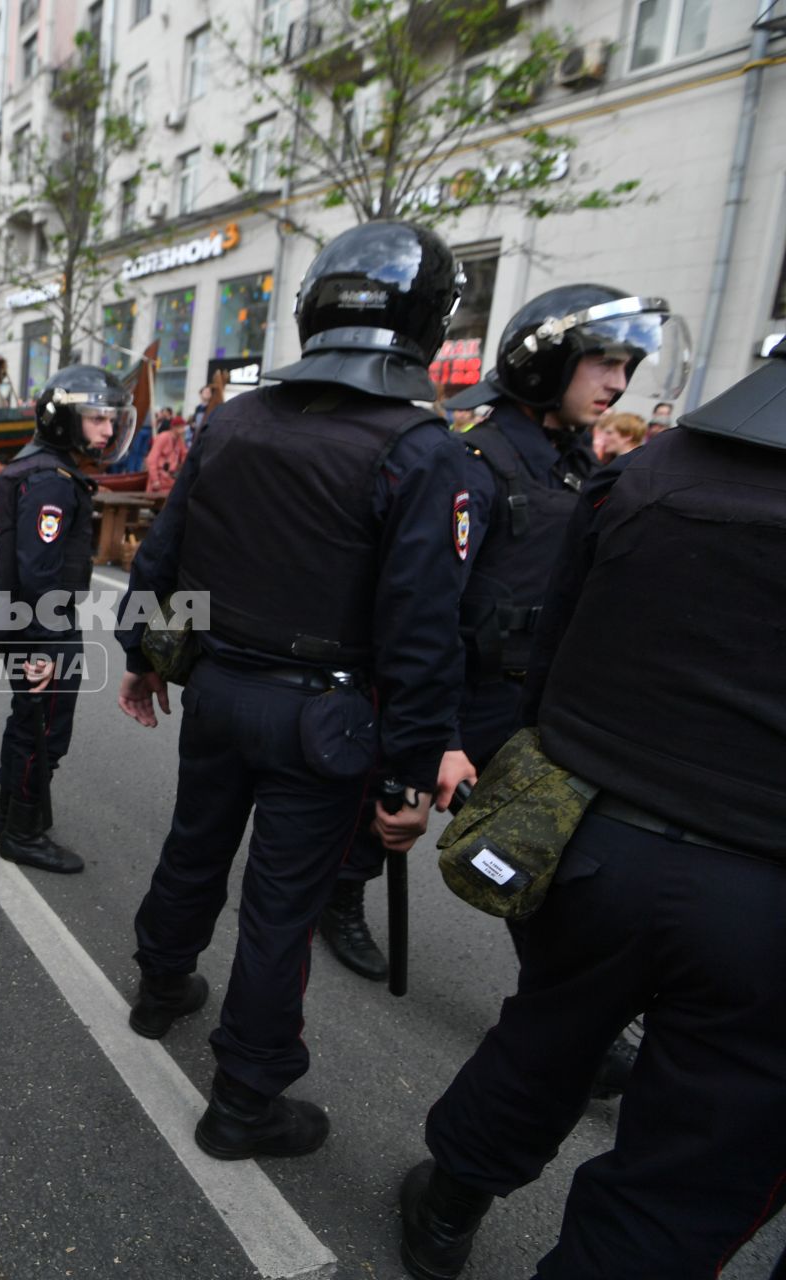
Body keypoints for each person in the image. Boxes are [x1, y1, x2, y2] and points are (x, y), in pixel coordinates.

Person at [399, 342, 783, 1280]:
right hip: (762, 894)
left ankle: (449, 1204)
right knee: (692, 1158)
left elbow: (557, 649)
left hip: (598, 839)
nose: (615, 385)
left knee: (544, 1038)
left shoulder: (644, 475)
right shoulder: (563, 463)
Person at [113, 222, 473, 1158]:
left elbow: (165, 554)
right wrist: (405, 776)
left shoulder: (236, 420)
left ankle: (159, 987)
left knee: (195, 848)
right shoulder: (419, 446)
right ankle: (244, 1098)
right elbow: (422, 630)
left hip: (224, 688)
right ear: (427, 322)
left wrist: (143, 655)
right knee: (281, 911)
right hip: (324, 717)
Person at [321, 287, 689, 998]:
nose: (617, 382)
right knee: (389, 816)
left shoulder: (582, 465)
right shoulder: (475, 463)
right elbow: (428, 611)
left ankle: (561, 993)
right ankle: (341, 897)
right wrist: (442, 736)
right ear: (546, 364)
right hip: (464, 693)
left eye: (626, 366)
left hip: (539, 700)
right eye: (601, 364)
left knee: (540, 848)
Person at [0, 365, 135, 874]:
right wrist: (47, 646)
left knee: (27, 723)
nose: (107, 430)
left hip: (29, 622)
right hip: (41, 625)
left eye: (111, 420)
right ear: (63, 417)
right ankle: (23, 833)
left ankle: (9, 816)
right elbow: (39, 572)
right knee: (43, 731)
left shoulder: (42, 467)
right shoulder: (50, 478)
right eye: (95, 418)